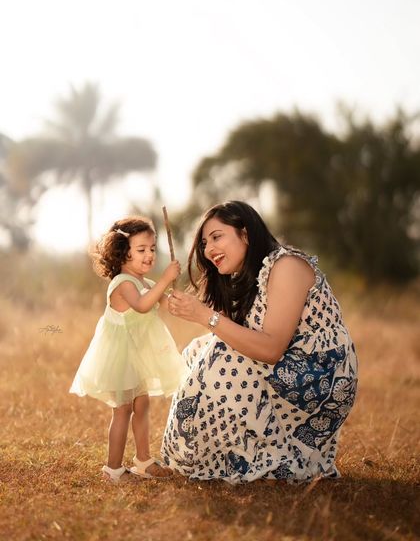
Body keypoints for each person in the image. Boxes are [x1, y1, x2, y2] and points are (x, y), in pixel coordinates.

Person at [162, 200, 357, 484]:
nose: (209, 249)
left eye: (217, 237)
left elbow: (270, 349)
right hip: (289, 369)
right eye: (205, 243)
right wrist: (206, 319)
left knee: (219, 352)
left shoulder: (286, 266)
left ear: (246, 234)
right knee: (198, 349)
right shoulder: (248, 278)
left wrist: (205, 316)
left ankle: (271, 457)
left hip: (322, 375)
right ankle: (235, 454)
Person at [70, 215, 186, 482]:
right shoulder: (123, 283)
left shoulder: (144, 282)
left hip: (138, 355)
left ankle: (143, 460)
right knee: (122, 409)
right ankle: (113, 469)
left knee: (142, 405)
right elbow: (144, 305)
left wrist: (177, 299)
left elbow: (163, 303)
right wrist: (166, 279)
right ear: (123, 253)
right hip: (121, 356)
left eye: (153, 249)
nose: (149, 255)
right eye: (141, 250)